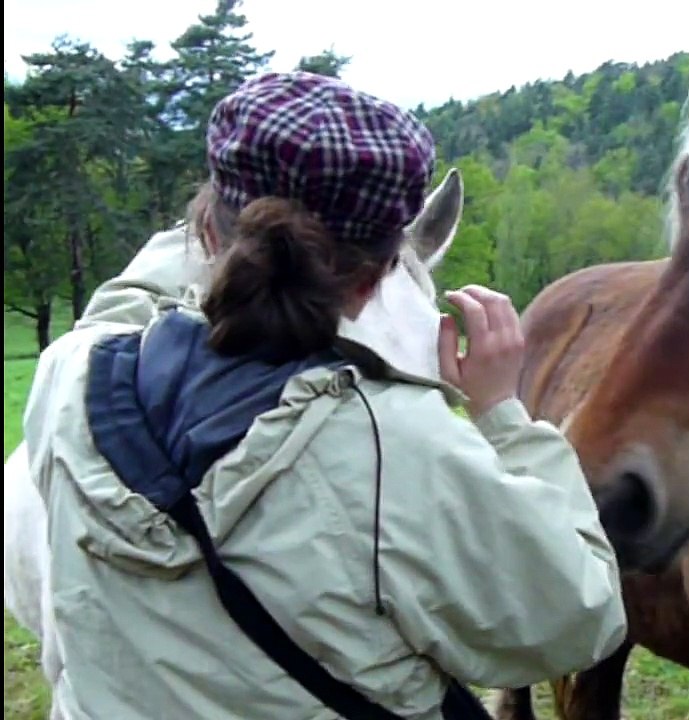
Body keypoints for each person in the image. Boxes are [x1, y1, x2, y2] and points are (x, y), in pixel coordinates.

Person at [21, 71, 627, 720]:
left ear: (207, 232)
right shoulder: (401, 448)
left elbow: (121, 305)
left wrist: (221, 224)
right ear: (375, 280)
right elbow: (577, 619)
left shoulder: (71, 374)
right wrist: (503, 413)